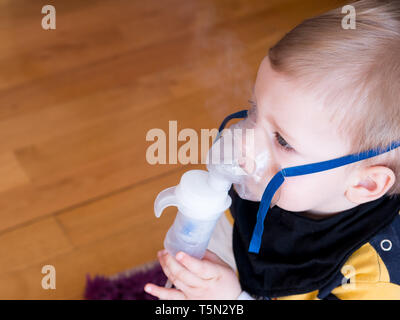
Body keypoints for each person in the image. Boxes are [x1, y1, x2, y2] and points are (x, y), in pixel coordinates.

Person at [144, 0, 400, 300]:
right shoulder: (268, 191)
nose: (245, 142)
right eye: (254, 110)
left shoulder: (373, 280)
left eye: (282, 141)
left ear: (364, 183)